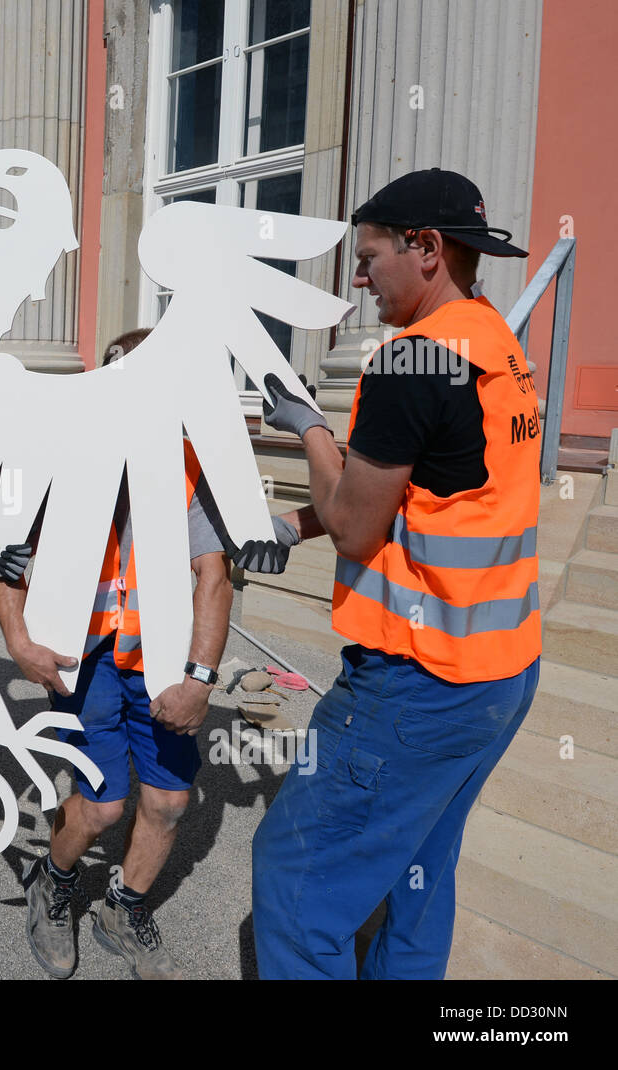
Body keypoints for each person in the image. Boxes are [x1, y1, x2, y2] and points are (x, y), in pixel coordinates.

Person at [242, 168, 541, 979]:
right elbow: (425, 486)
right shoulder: (494, 343)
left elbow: (356, 527)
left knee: (297, 883)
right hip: (502, 670)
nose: (359, 278)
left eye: (370, 258)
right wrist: (292, 523)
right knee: (419, 872)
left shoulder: (412, 362)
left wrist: (308, 427)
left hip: (417, 681)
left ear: (427, 248)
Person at [0, 329, 234, 980]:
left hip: (161, 659)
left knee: (169, 803)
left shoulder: (186, 465)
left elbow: (213, 574)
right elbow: (3, 558)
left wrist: (199, 681)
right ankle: (54, 878)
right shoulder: (56, 457)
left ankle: (122, 909)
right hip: (86, 658)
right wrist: (18, 642)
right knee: (102, 805)